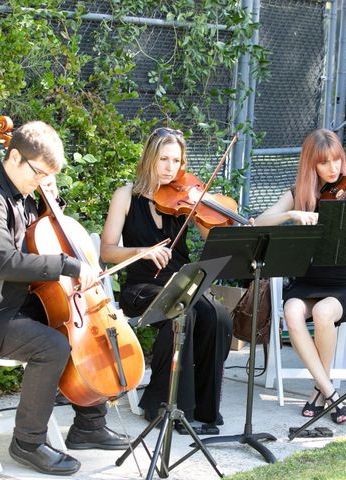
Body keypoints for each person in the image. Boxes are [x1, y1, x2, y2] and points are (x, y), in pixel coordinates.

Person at [0, 121, 128, 476]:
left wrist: (51, 196)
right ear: (14, 156)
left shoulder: (23, 192)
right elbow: (5, 262)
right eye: (39, 173)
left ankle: (89, 424)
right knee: (51, 346)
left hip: (13, 304)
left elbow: (41, 233)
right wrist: (69, 266)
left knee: (78, 332)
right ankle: (27, 442)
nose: (40, 180)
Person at [99, 127, 232, 433]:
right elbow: (107, 250)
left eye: (176, 161)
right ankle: (166, 406)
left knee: (219, 316)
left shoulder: (183, 199)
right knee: (182, 314)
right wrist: (141, 251)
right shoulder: (126, 195)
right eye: (164, 159)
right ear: (149, 159)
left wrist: (207, 209)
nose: (171, 168)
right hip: (142, 287)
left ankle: (204, 407)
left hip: (183, 281)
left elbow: (211, 234)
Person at [254, 128, 346, 424]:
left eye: (337, 161)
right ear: (311, 165)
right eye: (324, 163)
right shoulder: (295, 195)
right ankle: (329, 391)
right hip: (306, 283)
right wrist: (291, 215)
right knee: (291, 309)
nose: (333, 169)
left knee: (323, 311)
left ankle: (320, 389)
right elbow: (260, 222)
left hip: (344, 287)